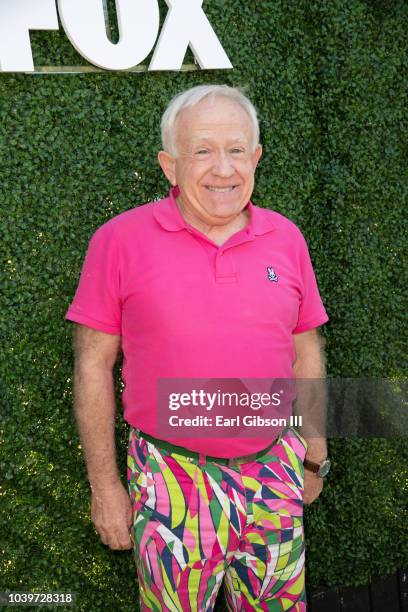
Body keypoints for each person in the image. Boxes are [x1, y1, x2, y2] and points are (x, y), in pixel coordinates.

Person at [66, 84, 329, 611]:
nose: (223, 169)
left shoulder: (287, 239)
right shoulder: (119, 241)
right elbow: (93, 365)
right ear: (170, 165)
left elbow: (306, 352)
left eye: (236, 150)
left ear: (255, 158)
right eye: (203, 150)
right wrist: (105, 487)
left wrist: (315, 456)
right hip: (171, 478)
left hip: (275, 471)